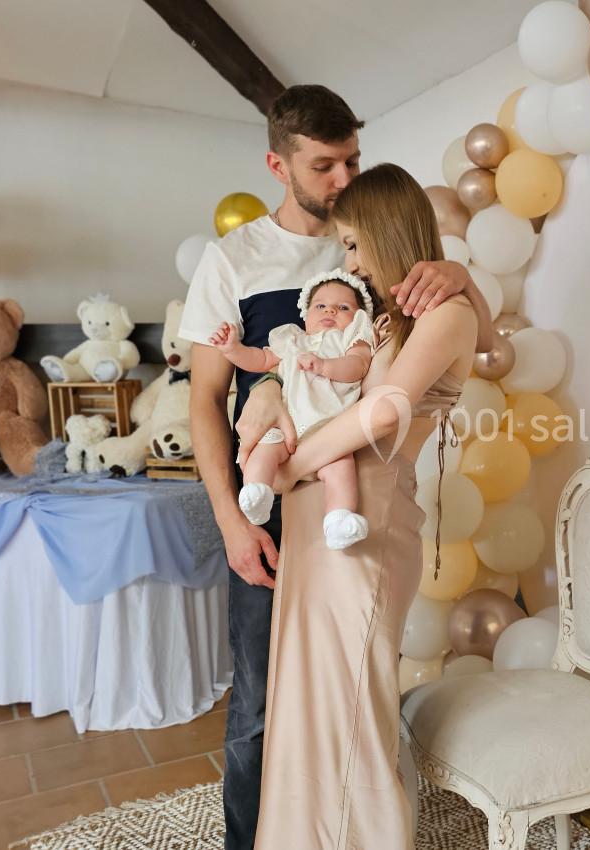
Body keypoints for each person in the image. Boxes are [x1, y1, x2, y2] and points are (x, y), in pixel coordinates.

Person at [180, 85, 495, 850]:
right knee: (266, 707)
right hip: (269, 510)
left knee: (347, 704)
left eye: (353, 159)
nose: (343, 178)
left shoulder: (386, 262)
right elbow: (205, 404)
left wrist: (465, 280)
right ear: (277, 164)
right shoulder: (235, 258)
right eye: (325, 165)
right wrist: (234, 519)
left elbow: (447, 357)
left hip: (337, 503)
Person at [251, 162, 477, 849]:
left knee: (350, 712)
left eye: (353, 243)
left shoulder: (448, 313)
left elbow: (382, 414)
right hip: (319, 515)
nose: (347, 259)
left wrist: (292, 463)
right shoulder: (383, 319)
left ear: (383, 231)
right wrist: (268, 402)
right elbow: (313, 386)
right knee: (307, 705)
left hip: (366, 522)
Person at [209, 270, 374, 550]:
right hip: (286, 425)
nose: (330, 310)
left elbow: (358, 366)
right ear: (306, 315)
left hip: (329, 433)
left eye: (343, 307)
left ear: (358, 318)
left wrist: (325, 366)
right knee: (264, 450)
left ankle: (338, 520)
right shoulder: (292, 341)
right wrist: (232, 349)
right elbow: (260, 360)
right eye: (320, 305)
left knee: (341, 469)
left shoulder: (349, 342)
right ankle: (257, 493)